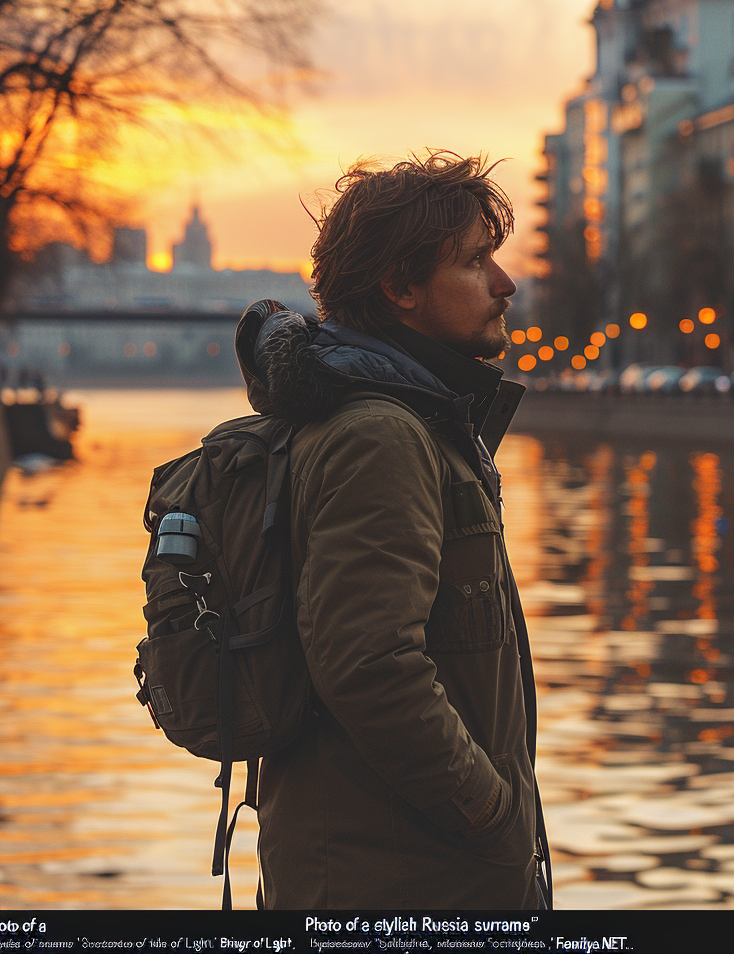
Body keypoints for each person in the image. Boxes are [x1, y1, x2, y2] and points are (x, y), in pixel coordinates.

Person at [234, 151, 548, 910]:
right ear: (401, 287)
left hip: (410, 867)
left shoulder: (410, 421)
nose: (504, 285)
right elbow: (369, 665)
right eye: (476, 263)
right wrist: (496, 818)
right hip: (401, 882)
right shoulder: (380, 433)